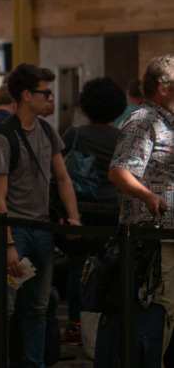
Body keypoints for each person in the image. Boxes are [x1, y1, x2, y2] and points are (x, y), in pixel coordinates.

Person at [0, 63, 81, 368]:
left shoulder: (47, 131)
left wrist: (73, 217)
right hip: (18, 234)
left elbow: (63, 178)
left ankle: (34, 364)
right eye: (45, 92)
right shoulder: (3, 138)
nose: (50, 98)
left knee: (38, 308)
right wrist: (10, 244)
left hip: (42, 233)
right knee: (7, 307)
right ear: (27, 95)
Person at [109, 54, 174, 365]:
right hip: (154, 240)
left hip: (169, 237)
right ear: (163, 88)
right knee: (160, 312)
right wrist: (149, 197)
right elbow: (119, 171)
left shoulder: (167, 121)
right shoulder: (142, 121)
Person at [58, 77, 126, 346]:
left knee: (79, 266)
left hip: (81, 208)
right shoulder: (121, 136)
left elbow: (61, 173)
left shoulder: (73, 134)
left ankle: (76, 324)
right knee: (109, 265)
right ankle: (106, 323)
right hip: (113, 209)